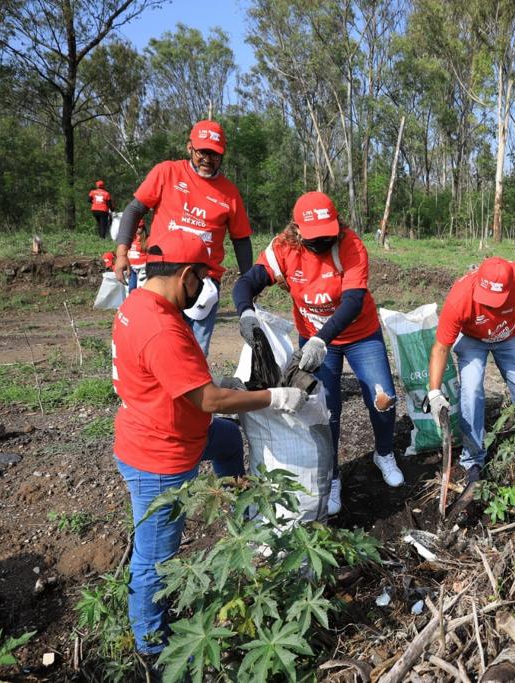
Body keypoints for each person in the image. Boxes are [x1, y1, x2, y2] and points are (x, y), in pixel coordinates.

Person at [111, 230, 306, 666]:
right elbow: (209, 401)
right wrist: (272, 398)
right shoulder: (161, 326)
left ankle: (240, 509)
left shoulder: (138, 303)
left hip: (171, 429)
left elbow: (180, 380)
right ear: (185, 275)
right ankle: (152, 648)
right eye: (202, 278)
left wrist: (220, 384)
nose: (204, 288)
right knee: (154, 559)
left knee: (225, 439)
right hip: (160, 456)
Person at [233, 191, 405, 516]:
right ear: (296, 230)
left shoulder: (351, 246)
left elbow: (353, 302)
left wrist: (321, 339)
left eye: (327, 234)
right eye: (313, 237)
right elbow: (246, 284)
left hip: (359, 335)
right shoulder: (283, 249)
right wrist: (246, 313)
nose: (321, 242)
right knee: (327, 411)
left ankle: (383, 453)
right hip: (313, 338)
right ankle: (333, 475)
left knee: (384, 398)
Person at [113, 120, 254, 356]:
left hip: (203, 281)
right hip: (162, 276)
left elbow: (241, 239)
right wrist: (121, 253)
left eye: (215, 155)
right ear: (190, 147)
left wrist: (249, 280)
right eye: (202, 152)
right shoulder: (167, 172)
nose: (208, 160)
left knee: (195, 351)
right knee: (156, 344)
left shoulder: (229, 192)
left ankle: (191, 391)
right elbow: (134, 210)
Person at [425, 257, 515, 483]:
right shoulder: (461, 297)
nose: (492, 306)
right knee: (471, 392)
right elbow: (441, 348)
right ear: (478, 282)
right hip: (472, 340)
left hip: (509, 336)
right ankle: (473, 459)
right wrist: (434, 392)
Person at [126, 219, 147, 292]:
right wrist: (128, 268)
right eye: (135, 226)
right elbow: (126, 254)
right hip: (131, 267)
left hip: (143, 268)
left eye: (139, 227)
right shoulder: (130, 238)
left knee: (141, 290)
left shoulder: (147, 239)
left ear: (143, 227)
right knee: (131, 289)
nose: (137, 229)